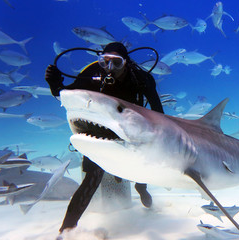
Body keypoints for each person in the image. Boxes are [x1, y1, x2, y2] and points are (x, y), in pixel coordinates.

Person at [45, 42, 164, 233]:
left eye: (116, 63)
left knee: (140, 173)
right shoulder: (93, 72)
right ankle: (66, 231)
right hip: (100, 130)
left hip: (129, 131)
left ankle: (142, 190)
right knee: (91, 179)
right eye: (105, 62)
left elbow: (158, 113)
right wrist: (55, 85)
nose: (109, 68)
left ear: (126, 62)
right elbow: (70, 97)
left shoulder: (141, 78)